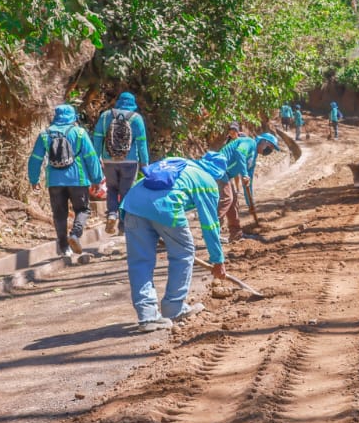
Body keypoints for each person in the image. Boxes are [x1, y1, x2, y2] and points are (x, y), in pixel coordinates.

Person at [119, 150, 232, 332]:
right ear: (218, 173)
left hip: (131, 204)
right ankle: (174, 307)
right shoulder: (207, 181)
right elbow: (210, 225)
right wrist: (218, 260)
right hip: (165, 208)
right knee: (184, 253)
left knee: (140, 261)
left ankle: (147, 317)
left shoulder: (177, 162)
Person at [26, 104, 102, 260]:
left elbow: (35, 159)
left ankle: (63, 247)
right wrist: (97, 179)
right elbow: (91, 157)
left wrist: (34, 179)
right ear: (73, 117)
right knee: (83, 210)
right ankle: (75, 234)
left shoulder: (45, 134)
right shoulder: (79, 133)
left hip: (54, 181)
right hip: (78, 179)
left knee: (59, 214)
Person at [92, 91, 150, 234]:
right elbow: (142, 144)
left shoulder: (105, 116)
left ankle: (112, 214)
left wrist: (96, 158)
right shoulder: (136, 119)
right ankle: (123, 226)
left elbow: (98, 138)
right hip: (129, 161)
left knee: (112, 189)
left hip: (108, 160)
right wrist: (145, 165)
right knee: (126, 192)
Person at [217, 126, 280, 241]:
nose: (269, 150)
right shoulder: (249, 142)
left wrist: (250, 204)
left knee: (234, 200)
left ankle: (235, 234)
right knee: (227, 199)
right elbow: (239, 152)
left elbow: (248, 184)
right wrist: (244, 174)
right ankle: (212, 232)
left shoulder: (253, 159)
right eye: (270, 147)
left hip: (225, 175)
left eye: (271, 149)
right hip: (217, 168)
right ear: (263, 142)